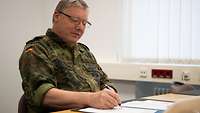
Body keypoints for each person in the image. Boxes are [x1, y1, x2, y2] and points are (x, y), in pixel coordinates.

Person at [19, 0, 121, 113]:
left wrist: (110, 94)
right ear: (56, 16)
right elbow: (43, 94)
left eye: (84, 23)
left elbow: (104, 81)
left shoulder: (84, 51)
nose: (80, 28)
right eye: (75, 20)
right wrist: (91, 98)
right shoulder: (37, 49)